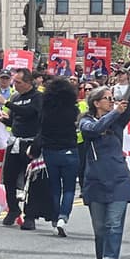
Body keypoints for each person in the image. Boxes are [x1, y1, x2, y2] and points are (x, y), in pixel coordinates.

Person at [79, 73, 130, 259]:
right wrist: (115, 112)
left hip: (118, 178)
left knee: (114, 223)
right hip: (95, 179)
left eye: (112, 98)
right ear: (96, 102)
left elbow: (128, 106)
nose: (112, 101)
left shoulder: (117, 121)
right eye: (107, 98)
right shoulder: (85, 121)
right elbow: (96, 129)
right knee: (99, 227)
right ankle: (102, 257)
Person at [0, 68, 42, 228]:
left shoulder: (38, 97)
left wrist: (6, 103)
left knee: (31, 181)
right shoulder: (16, 97)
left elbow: (29, 112)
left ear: (28, 83)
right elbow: (14, 120)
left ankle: (30, 215)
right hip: (15, 142)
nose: (15, 85)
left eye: (18, 82)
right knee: (9, 178)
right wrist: (0, 118)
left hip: (30, 143)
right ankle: (13, 209)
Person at [36, 74, 80, 235]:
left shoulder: (45, 110)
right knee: (69, 188)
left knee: (55, 187)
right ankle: (63, 216)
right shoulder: (72, 110)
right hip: (69, 149)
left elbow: (40, 129)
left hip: (50, 150)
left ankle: (55, 218)